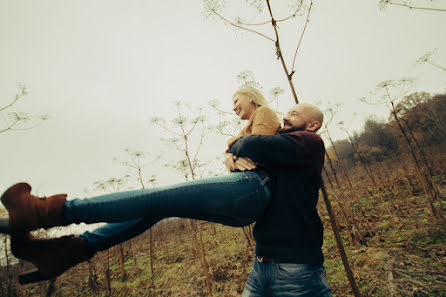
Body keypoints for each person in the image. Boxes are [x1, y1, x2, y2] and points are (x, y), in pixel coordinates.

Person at [1, 86, 282, 284]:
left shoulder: (266, 111)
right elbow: (247, 150)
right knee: (158, 207)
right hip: (247, 193)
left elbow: (258, 148)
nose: (233, 106)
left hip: (252, 186)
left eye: (237, 99)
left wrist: (231, 148)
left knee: (156, 196)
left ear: (252, 97)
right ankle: (70, 251)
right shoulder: (249, 125)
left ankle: (45, 211)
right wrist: (230, 157)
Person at [229, 103, 333, 297]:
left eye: (294, 114)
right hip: (260, 266)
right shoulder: (282, 153)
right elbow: (247, 157)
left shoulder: (310, 142)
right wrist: (232, 157)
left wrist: (234, 143)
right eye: (288, 112)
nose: (285, 117)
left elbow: (251, 144)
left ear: (312, 125)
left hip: (296, 269)